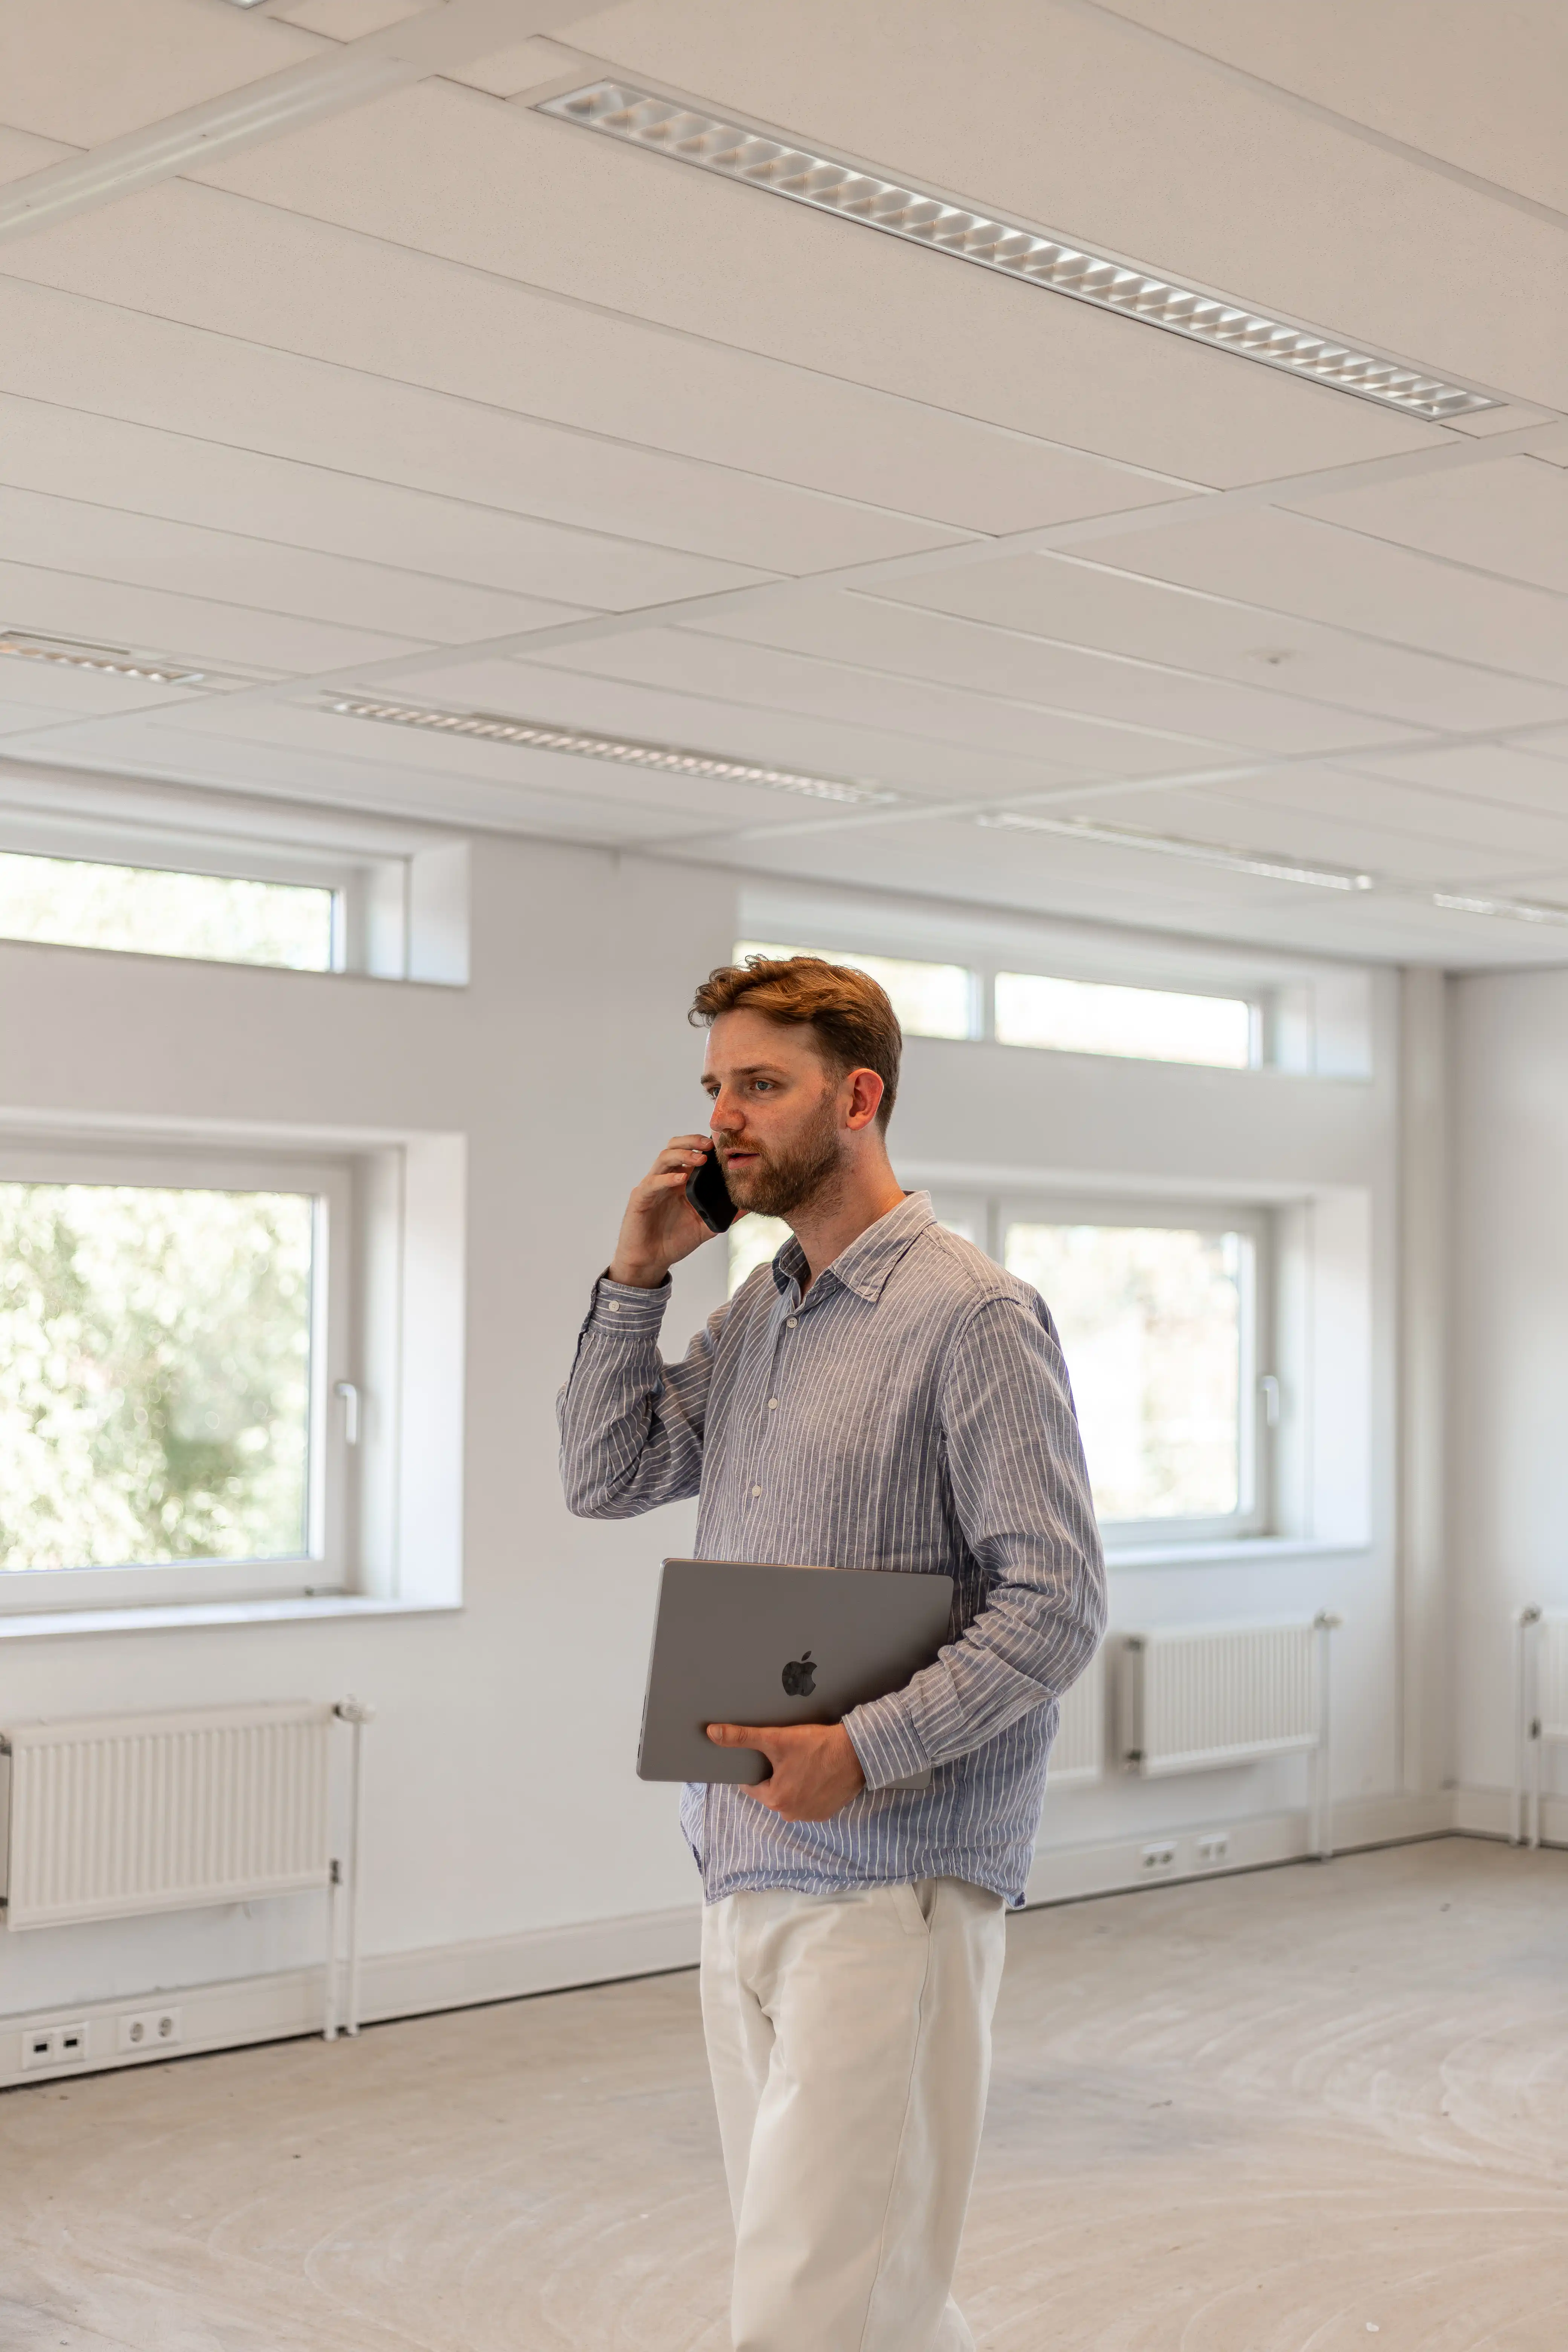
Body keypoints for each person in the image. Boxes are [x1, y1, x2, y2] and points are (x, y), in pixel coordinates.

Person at [558, 954, 1105, 2352]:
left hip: (893, 1880)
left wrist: (864, 1747)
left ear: (857, 1099)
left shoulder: (973, 1317)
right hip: (739, 1862)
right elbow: (607, 1473)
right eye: (715, 1088)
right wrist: (635, 1277)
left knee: (813, 2301)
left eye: (761, 1086)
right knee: (862, 2289)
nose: (724, 1120)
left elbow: (1054, 1604)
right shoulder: (763, 1313)